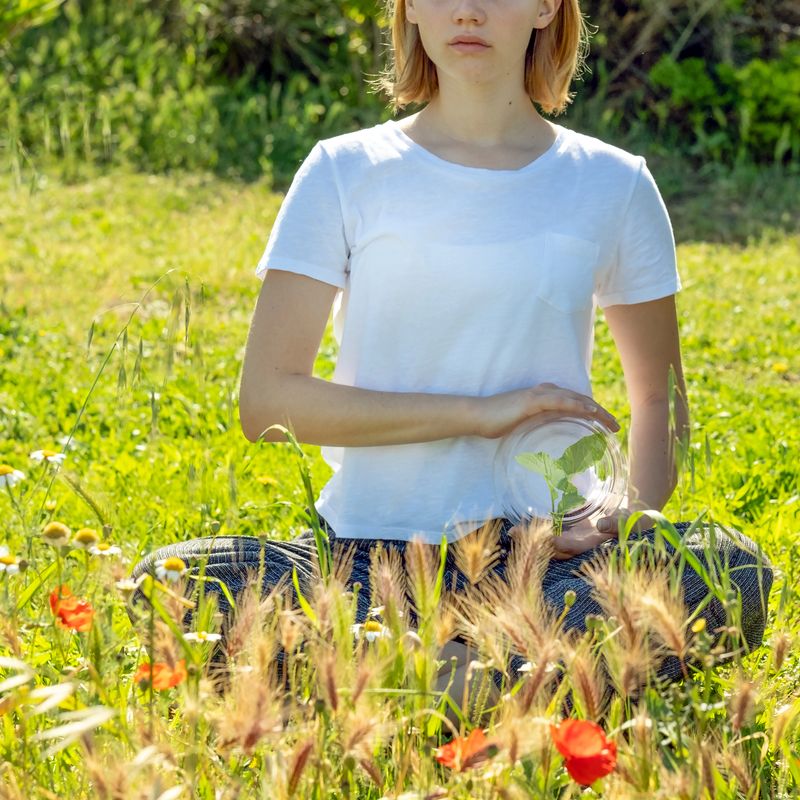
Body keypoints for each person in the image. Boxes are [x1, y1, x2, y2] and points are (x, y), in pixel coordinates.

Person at [131, 0, 773, 715]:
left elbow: (660, 398)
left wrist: (631, 507)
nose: (467, 10)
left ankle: (404, 676)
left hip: (546, 562)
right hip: (363, 557)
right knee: (167, 582)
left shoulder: (613, 183)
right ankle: (490, 678)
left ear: (544, 7)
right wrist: (478, 415)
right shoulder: (344, 170)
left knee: (730, 570)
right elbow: (269, 402)